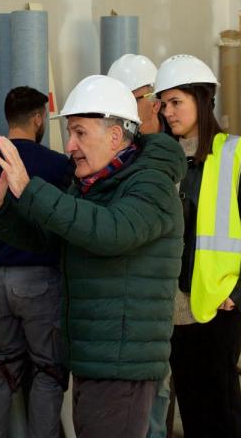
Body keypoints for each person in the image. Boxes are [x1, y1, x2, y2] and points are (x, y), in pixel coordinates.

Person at [0, 75, 185, 438]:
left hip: (121, 365)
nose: (70, 146)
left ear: (114, 136)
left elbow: (111, 232)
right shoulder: (93, 185)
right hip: (94, 357)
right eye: (69, 133)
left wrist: (30, 190)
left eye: (79, 133)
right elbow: (46, 240)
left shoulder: (150, 184)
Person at [155, 54, 241, 438]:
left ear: (202, 101)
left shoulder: (234, 155)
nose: (168, 112)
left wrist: (240, 293)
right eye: (164, 103)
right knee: (190, 403)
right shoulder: (161, 158)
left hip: (218, 307)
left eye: (177, 102)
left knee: (219, 405)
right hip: (173, 305)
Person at [0, 87, 73, 438]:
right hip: (37, 280)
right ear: (37, 118)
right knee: (48, 371)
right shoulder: (58, 165)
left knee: (5, 368)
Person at [107, 53, 173, 438]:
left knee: (157, 391)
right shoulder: (122, 151)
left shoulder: (163, 154)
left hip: (159, 292)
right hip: (129, 299)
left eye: (139, 100)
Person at [108, 53, 165, 136]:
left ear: (155, 105)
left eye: (133, 101)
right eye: (119, 102)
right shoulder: (114, 142)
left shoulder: (177, 135)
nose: (124, 109)